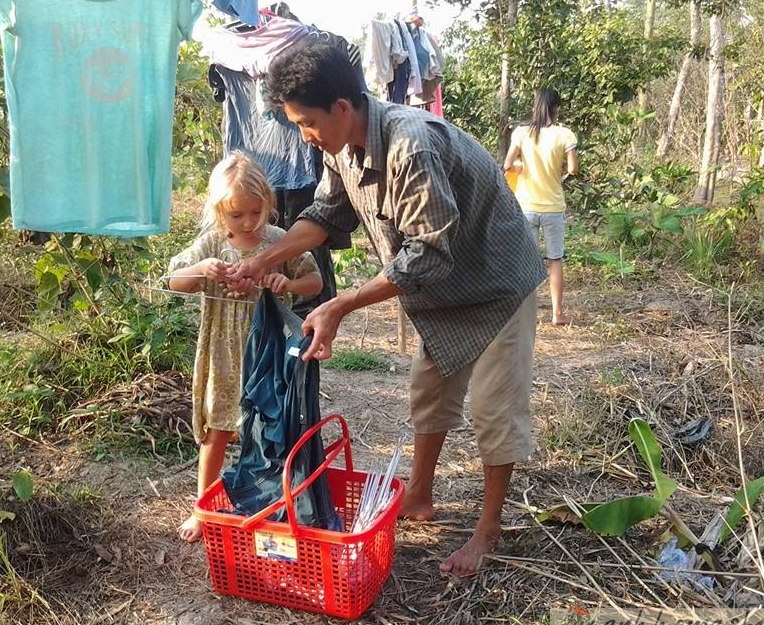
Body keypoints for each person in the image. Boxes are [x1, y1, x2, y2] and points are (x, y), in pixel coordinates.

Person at [226, 42, 548, 576]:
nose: (304, 135)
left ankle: (487, 531)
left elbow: (429, 251)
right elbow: (327, 216)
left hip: (495, 283)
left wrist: (341, 304)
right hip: (443, 290)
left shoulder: (410, 146)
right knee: (430, 388)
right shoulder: (338, 148)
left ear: (343, 108)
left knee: (494, 409)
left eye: (307, 122)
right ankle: (419, 496)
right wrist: (266, 258)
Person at [167, 152, 323, 543]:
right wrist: (202, 271)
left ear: (268, 203)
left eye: (256, 211)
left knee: (273, 431)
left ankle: (274, 504)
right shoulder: (213, 244)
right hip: (224, 353)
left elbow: (315, 282)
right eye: (238, 215)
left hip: (268, 355)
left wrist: (287, 284)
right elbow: (174, 279)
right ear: (220, 210)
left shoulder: (278, 243)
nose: (249, 222)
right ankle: (203, 508)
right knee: (217, 432)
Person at [503, 88, 579, 325]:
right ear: (556, 109)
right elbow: (573, 169)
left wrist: (519, 166)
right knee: (554, 259)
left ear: (535, 106)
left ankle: (526, 315)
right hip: (553, 206)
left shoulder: (522, 133)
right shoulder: (565, 135)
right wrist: (560, 166)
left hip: (526, 205)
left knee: (527, 261)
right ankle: (557, 314)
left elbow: (507, 164)